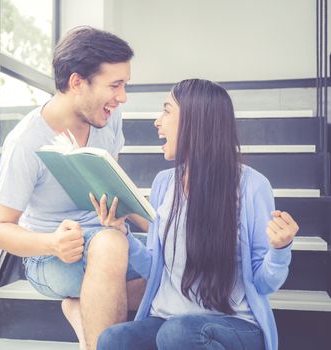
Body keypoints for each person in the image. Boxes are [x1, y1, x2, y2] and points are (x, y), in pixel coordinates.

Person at [94, 79, 299, 350]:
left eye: (166, 111)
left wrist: (280, 249)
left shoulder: (252, 186)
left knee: (177, 334)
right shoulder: (163, 184)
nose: (157, 121)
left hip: (234, 324)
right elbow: (155, 268)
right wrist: (123, 233)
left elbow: (264, 283)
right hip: (168, 319)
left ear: (195, 122)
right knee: (113, 339)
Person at [0, 26, 148, 350]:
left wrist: (168, 234)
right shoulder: (26, 141)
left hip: (106, 238)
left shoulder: (107, 117)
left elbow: (116, 191)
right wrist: (52, 244)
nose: (122, 97)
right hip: (51, 257)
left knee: (179, 269)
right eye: (114, 85)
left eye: (124, 85)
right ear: (77, 82)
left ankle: (81, 312)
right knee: (112, 246)